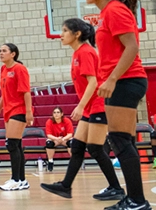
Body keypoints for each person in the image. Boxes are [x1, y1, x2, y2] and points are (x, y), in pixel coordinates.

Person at [86, 0, 149, 210]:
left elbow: (131, 47)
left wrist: (111, 79)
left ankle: (137, 201)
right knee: (123, 140)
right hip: (122, 81)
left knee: (119, 140)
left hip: (125, 81)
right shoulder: (107, 13)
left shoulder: (114, 10)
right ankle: (134, 199)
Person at [41, 18, 125, 201]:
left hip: (99, 105)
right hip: (90, 108)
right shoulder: (78, 53)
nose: (60, 35)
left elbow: (93, 82)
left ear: (77, 34)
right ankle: (65, 186)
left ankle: (116, 188)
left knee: (95, 148)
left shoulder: (85, 52)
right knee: (78, 147)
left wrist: (80, 106)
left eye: (64, 31)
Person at [0, 43, 33, 191]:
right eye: (0, 50)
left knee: (11, 144)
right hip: (8, 110)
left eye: (4, 51)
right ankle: (22, 180)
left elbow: (26, 92)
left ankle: (15, 179)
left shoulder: (19, 69)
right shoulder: (3, 69)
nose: (1, 53)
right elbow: (4, 93)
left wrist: (29, 112)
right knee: (16, 145)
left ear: (13, 54)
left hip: (19, 109)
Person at [43, 107, 73, 171]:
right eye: (54, 112)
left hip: (65, 139)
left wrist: (63, 138)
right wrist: (57, 138)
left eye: (58, 112)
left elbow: (70, 134)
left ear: (62, 114)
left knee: (72, 143)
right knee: (49, 143)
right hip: (55, 140)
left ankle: (73, 161)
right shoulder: (49, 121)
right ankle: (50, 161)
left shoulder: (67, 121)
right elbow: (49, 135)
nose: (56, 114)